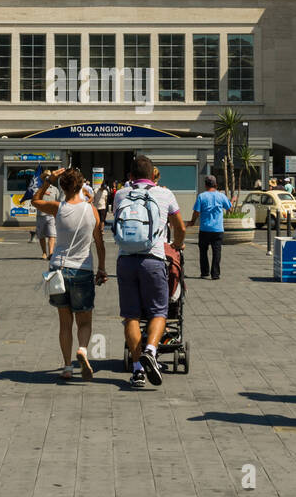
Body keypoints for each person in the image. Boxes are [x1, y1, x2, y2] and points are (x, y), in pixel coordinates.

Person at [112, 154, 185, 388]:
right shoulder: (165, 194)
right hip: (153, 259)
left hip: (125, 260)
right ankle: (151, 351)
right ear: (153, 174)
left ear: (130, 176)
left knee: (131, 316)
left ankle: (137, 370)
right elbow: (179, 226)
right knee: (159, 312)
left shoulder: (121, 195)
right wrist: (177, 244)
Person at [31, 167, 108, 379]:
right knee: (84, 321)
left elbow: (35, 201)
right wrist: (101, 267)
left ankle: (66, 367)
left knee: (64, 323)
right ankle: (82, 349)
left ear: (62, 187)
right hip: (82, 269)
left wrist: (49, 181)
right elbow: (99, 243)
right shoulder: (91, 210)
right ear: (81, 185)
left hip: (57, 269)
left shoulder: (58, 208)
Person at [186, 175, 231, 280]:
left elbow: (196, 211)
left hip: (205, 228)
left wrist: (192, 221)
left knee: (203, 251)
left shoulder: (202, 196)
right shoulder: (221, 196)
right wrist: (232, 200)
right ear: (215, 184)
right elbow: (229, 208)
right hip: (218, 229)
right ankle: (215, 274)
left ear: (205, 185)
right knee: (217, 251)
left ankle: (204, 272)